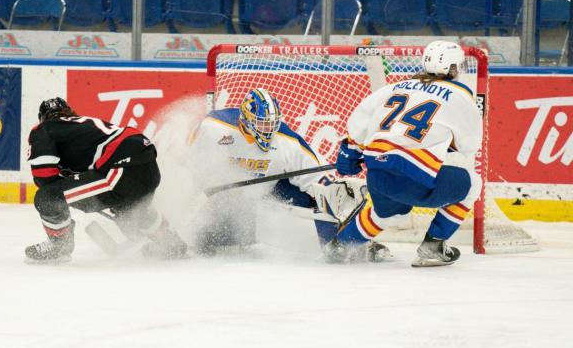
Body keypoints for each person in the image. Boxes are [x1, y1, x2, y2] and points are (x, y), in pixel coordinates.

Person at [186, 88, 390, 261]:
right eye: (262, 124)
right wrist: (209, 187)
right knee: (205, 240)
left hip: (272, 189)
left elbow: (321, 182)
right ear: (247, 119)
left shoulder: (287, 142)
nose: (269, 130)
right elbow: (192, 160)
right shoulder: (214, 127)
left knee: (324, 194)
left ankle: (347, 242)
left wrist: (335, 195)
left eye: (272, 123)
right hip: (229, 198)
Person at [332, 41, 483, 267]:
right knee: (473, 184)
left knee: (389, 214)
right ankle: (435, 245)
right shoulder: (460, 95)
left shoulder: (395, 87)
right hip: (414, 179)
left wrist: (350, 153)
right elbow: (469, 145)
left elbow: (360, 121)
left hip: (378, 174)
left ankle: (341, 245)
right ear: (453, 68)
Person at [25, 97, 187, 263]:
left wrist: (72, 193)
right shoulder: (86, 123)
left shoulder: (44, 129)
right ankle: (171, 242)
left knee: (48, 197)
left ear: (43, 118)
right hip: (149, 168)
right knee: (131, 210)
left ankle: (59, 246)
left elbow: (44, 176)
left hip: (120, 170)